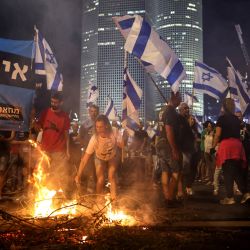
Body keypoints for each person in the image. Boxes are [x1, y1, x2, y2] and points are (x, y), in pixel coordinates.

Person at [75, 115, 124, 200]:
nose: (99, 129)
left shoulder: (114, 131)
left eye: (101, 127)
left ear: (107, 125)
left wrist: (118, 141)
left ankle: (113, 200)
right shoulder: (94, 139)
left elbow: (122, 145)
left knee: (111, 176)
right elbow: (84, 159)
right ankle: (98, 200)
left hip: (112, 156)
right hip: (99, 158)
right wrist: (78, 175)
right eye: (97, 127)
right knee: (100, 179)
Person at [212, 98, 250, 205]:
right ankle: (246, 193)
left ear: (224, 106)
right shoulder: (236, 119)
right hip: (238, 146)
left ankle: (230, 198)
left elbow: (218, 135)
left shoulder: (221, 119)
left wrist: (212, 147)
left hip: (227, 147)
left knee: (228, 172)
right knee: (238, 172)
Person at [37, 92, 70, 194]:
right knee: (43, 173)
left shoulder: (65, 116)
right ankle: (43, 194)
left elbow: (66, 135)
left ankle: (58, 196)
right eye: (52, 102)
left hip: (59, 150)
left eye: (56, 102)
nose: (53, 104)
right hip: (45, 150)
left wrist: (68, 151)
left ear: (61, 102)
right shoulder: (45, 112)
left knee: (58, 174)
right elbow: (39, 128)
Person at [157, 91, 182, 208]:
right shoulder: (171, 112)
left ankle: (167, 197)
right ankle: (170, 198)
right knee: (176, 171)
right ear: (174, 98)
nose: (181, 101)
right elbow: (169, 131)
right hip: (167, 145)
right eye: (179, 98)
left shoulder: (163, 111)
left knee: (165, 171)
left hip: (160, 144)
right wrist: (174, 149)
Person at [78, 104, 99, 194]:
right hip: (87, 152)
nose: (93, 113)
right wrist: (85, 146)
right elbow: (80, 137)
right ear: (89, 112)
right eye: (91, 111)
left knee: (97, 174)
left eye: (95, 111)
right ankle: (82, 193)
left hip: (98, 152)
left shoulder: (100, 123)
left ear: (98, 112)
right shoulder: (85, 124)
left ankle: (96, 194)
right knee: (84, 172)